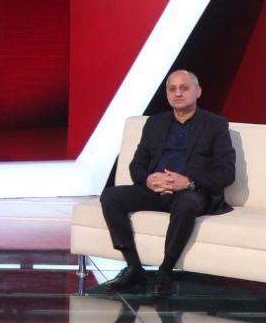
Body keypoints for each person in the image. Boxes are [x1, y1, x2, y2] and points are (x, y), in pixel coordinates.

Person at [92, 70, 236, 297]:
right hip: (155, 190)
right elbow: (137, 165)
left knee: (187, 204)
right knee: (111, 196)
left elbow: (226, 172)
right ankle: (133, 267)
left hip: (191, 192)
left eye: (184, 88)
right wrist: (147, 180)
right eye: (172, 89)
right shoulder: (155, 123)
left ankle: (166, 271)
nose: (178, 93)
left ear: (198, 91)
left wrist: (188, 182)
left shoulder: (215, 125)